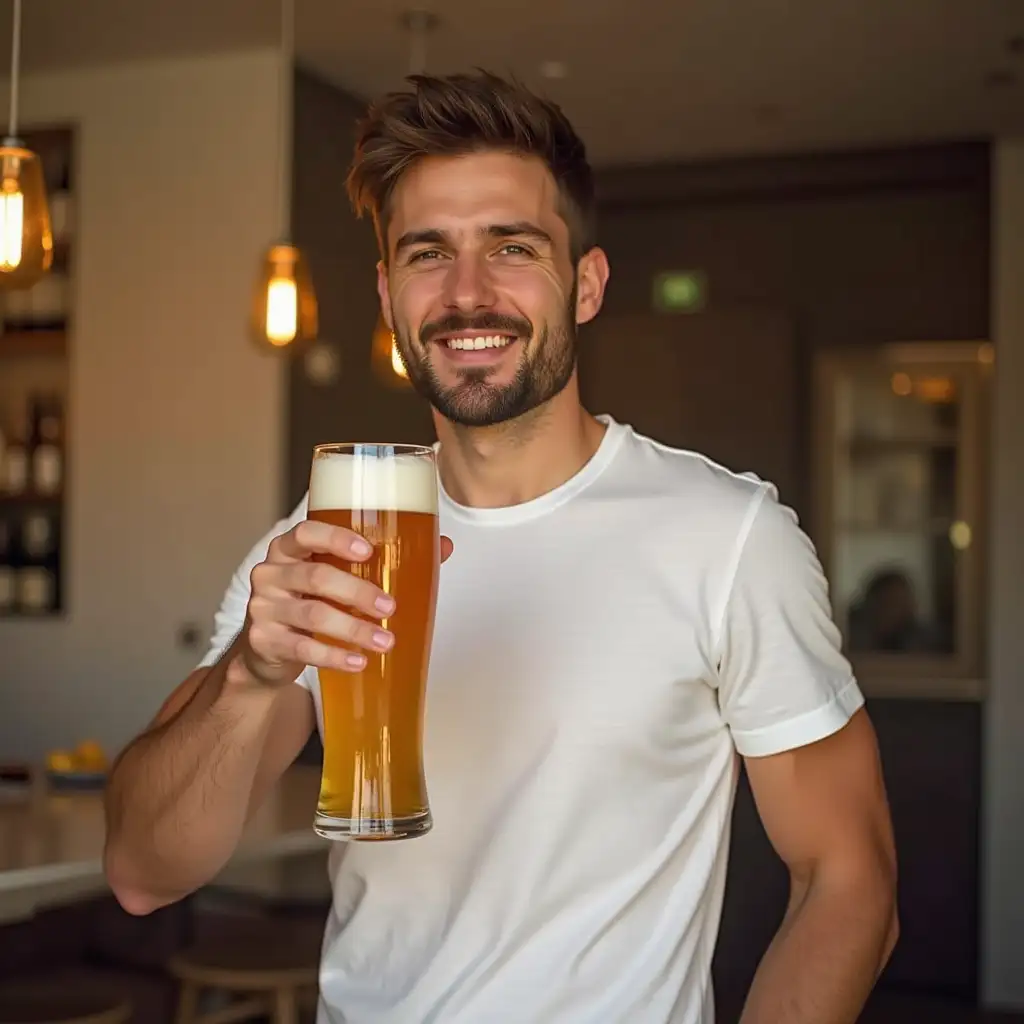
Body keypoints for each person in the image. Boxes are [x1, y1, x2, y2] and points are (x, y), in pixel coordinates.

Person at [104, 71, 898, 1023]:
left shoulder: (729, 537)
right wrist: (249, 676)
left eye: (512, 248)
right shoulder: (316, 548)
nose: (467, 294)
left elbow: (848, 882)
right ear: (388, 292)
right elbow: (145, 873)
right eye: (427, 254)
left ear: (587, 284)